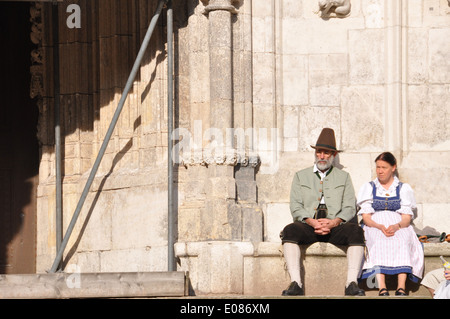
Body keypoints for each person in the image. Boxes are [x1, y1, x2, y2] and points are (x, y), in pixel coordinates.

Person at [280, 128, 366, 296]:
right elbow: (296, 206)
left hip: (335, 225)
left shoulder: (344, 177)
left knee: (356, 231)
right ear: (316, 153)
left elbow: (349, 206)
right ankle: (295, 283)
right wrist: (311, 221)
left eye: (326, 153)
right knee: (290, 230)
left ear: (333, 155)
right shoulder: (300, 176)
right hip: (309, 224)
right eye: (319, 152)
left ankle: (351, 283)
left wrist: (334, 222)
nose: (322, 156)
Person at [357, 152, 424, 296]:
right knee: (377, 239)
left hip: (398, 224)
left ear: (393, 168)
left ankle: (401, 287)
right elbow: (366, 217)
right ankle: (382, 287)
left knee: (403, 239)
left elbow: (406, 217)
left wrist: (397, 226)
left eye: (384, 167)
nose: (380, 171)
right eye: (378, 167)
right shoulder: (369, 187)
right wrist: (379, 226)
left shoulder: (402, 188)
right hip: (374, 224)